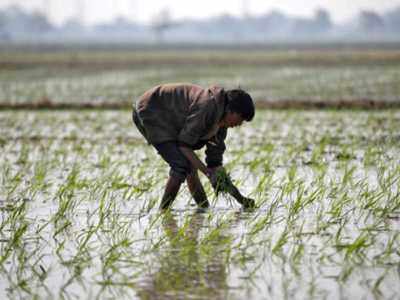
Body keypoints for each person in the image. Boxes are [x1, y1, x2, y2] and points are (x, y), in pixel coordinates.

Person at [132, 83, 255, 210]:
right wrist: (208, 173)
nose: (240, 124)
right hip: (150, 108)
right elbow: (184, 145)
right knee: (181, 165)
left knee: (190, 166)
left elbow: (215, 165)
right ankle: (163, 212)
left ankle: (203, 208)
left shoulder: (221, 126)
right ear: (230, 110)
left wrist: (241, 200)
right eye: (240, 118)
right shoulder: (207, 107)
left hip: (169, 118)